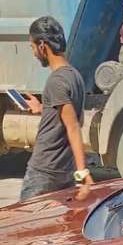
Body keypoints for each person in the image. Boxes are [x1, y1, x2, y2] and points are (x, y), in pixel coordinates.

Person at [20, 16, 93, 201]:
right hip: (63, 168)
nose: (34, 53)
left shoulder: (56, 81)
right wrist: (42, 108)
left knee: (26, 223)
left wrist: (83, 172)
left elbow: (73, 126)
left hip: (45, 169)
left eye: (33, 47)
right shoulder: (74, 75)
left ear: (42, 46)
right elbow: (65, 114)